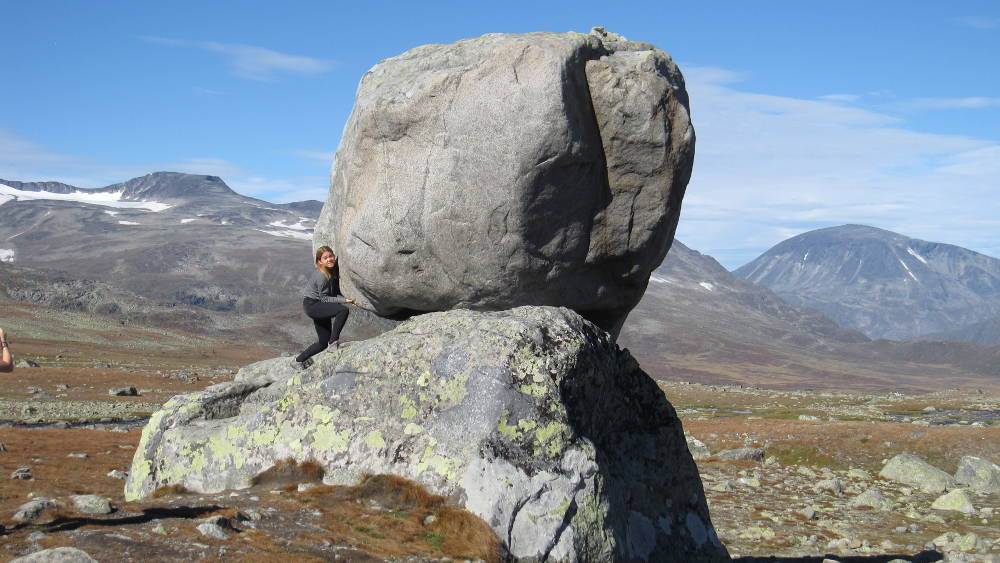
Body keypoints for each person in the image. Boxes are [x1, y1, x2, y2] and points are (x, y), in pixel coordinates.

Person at [294, 246, 353, 369]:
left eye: (330, 256)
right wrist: (345, 301)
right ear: (319, 261)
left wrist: (349, 298)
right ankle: (333, 342)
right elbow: (324, 298)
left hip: (317, 305)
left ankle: (298, 361)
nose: (329, 259)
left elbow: (333, 291)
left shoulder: (330, 271)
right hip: (313, 305)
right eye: (325, 258)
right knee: (343, 310)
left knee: (322, 342)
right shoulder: (322, 275)